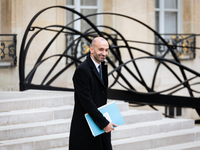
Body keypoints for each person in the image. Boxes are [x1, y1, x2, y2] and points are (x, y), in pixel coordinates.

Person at [69, 37, 118, 150]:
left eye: (106, 50)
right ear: (91, 49)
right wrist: (104, 123)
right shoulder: (82, 70)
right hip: (86, 128)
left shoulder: (102, 67)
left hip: (99, 125)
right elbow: (87, 101)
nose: (104, 53)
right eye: (101, 49)